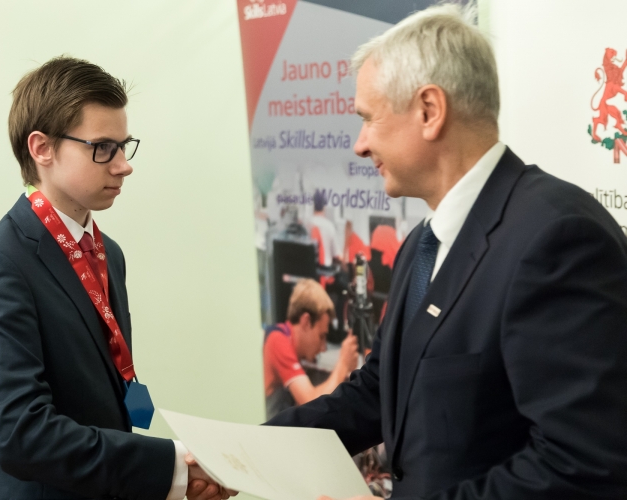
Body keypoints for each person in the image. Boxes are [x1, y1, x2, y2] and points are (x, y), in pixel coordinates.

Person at [267, 4, 627, 500]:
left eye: (369, 118)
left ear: (429, 111)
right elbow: (381, 389)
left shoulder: (558, 239)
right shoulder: (423, 243)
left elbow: (583, 464)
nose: (360, 144)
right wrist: (245, 454)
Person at [0, 56, 229, 500]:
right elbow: (19, 433)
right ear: (42, 148)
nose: (123, 165)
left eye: (124, 146)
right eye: (102, 148)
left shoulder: (107, 253)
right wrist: (172, 468)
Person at [263, 279, 358, 419]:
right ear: (306, 321)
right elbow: (310, 403)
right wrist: (343, 364)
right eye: (321, 336)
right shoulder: (277, 340)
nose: (323, 348)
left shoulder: (288, 342)